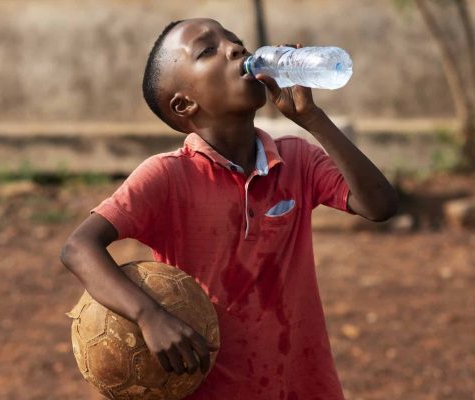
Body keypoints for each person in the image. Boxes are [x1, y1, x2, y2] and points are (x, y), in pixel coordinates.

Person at [60, 18, 398, 399]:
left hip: (305, 386)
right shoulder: (167, 177)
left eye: (235, 41)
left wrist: (312, 120)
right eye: (208, 50)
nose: (236, 49)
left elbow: (379, 205)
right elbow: (78, 248)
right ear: (184, 103)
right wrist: (148, 315)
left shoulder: (296, 159)